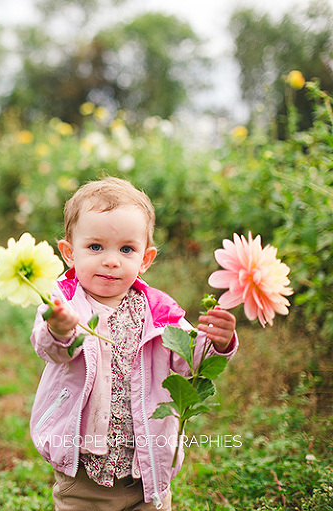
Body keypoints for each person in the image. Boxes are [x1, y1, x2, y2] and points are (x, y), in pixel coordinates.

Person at [29, 176, 238, 510]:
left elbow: (189, 362)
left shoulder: (159, 311)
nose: (112, 260)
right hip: (84, 475)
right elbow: (50, 348)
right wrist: (59, 328)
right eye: (95, 247)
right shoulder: (63, 304)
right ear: (69, 252)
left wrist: (217, 343)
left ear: (146, 258)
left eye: (126, 249)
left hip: (148, 472)